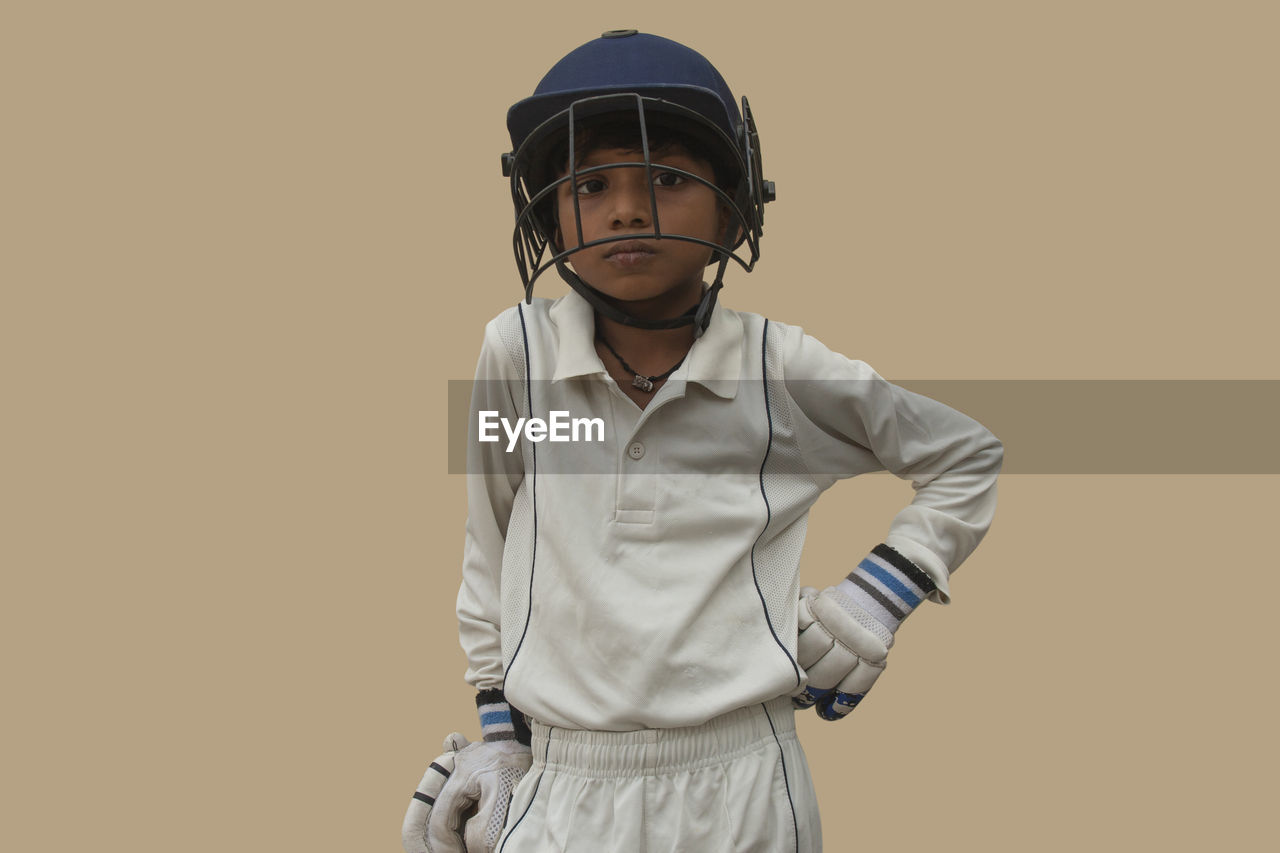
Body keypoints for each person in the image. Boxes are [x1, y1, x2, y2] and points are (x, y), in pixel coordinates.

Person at [402, 30, 1002, 853]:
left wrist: (877, 595)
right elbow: (491, 539)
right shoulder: (518, 354)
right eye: (590, 183)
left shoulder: (778, 367)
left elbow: (965, 455)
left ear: (734, 200)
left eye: (669, 178)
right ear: (545, 209)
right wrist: (500, 733)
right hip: (565, 781)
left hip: (743, 775)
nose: (626, 208)